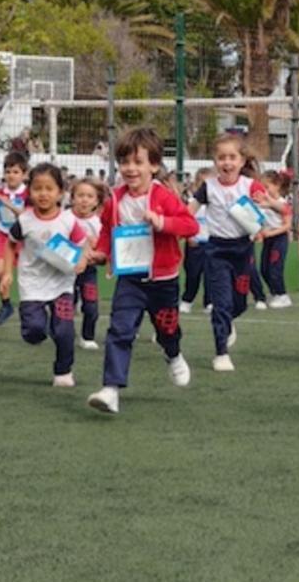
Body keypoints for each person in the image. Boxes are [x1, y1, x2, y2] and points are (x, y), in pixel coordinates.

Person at [85, 128, 198, 414]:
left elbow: (190, 226)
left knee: (167, 329)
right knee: (120, 330)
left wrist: (162, 222)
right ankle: (111, 389)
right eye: (124, 162)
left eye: (138, 162)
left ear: (154, 165)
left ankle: (173, 354)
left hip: (164, 280)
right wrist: (101, 253)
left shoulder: (165, 197)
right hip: (130, 279)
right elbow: (107, 232)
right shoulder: (115, 199)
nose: (130, 169)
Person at [188, 134, 286, 372]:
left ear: (242, 161)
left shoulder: (250, 185)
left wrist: (269, 205)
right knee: (220, 303)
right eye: (222, 158)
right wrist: (181, 229)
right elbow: (187, 212)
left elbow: (283, 208)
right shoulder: (208, 187)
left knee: (239, 304)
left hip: (243, 251)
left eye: (232, 157)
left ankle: (229, 322)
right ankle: (221, 352)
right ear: (215, 161)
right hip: (216, 251)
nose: (227, 163)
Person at [0, 164, 88, 387]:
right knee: (34, 332)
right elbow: (10, 244)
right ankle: (44, 327)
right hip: (32, 283)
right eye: (38, 188)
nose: (43, 194)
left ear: (60, 192)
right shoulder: (25, 221)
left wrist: (82, 260)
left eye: (49, 188)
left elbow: (82, 244)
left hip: (62, 284)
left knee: (65, 329)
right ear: (30, 192)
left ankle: (63, 371)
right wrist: (7, 273)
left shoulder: (68, 220)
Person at [0, 152, 29, 325]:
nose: (11, 176)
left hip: (23, 237)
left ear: (24, 174)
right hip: (3, 235)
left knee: (25, 275)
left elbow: (27, 217)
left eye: (15, 172)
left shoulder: (27, 194)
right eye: (8, 172)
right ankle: (6, 304)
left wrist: (9, 205)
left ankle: (32, 308)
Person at [70, 178, 105, 351]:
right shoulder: (65, 218)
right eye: (80, 195)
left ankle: (87, 336)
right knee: (65, 305)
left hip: (88, 270)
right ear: (72, 198)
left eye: (90, 196)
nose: (84, 200)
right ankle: (63, 333)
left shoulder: (98, 223)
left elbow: (102, 247)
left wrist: (95, 250)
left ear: (96, 201)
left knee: (91, 304)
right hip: (66, 270)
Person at [255, 170, 294, 309]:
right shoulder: (263, 204)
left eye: (267, 187)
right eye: (262, 187)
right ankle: (274, 292)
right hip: (268, 239)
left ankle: (282, 295)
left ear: (277, 185)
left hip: (279, 239)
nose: (264, 191)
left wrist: (272, 233)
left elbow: (287, 225)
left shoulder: (281, 203)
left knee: (275, 269)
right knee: (264, 269)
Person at [180, 168, 215, 315]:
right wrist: (189, 237)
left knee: (210, 275)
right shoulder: (192, 203)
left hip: (212, 244)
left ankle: (210, 301)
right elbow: (185, 221)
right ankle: (187, 300)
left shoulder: (215, 205)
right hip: (195, 244)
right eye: (201, 184)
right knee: (192, 274)